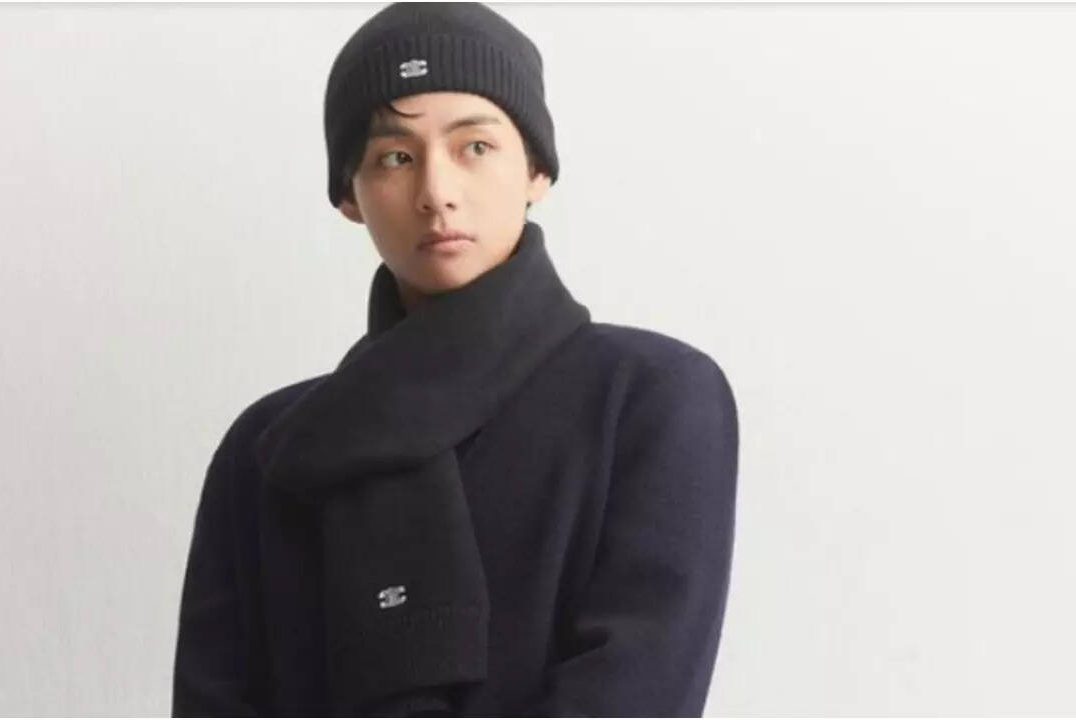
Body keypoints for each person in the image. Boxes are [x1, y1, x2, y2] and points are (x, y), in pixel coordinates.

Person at [172, 3, 739, 717]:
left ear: (536, 169)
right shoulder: (267, 449)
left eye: (475, 146)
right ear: (350, 196)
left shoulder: (651, 399)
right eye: (395, 157)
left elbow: (635, 692)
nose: (437, 192)